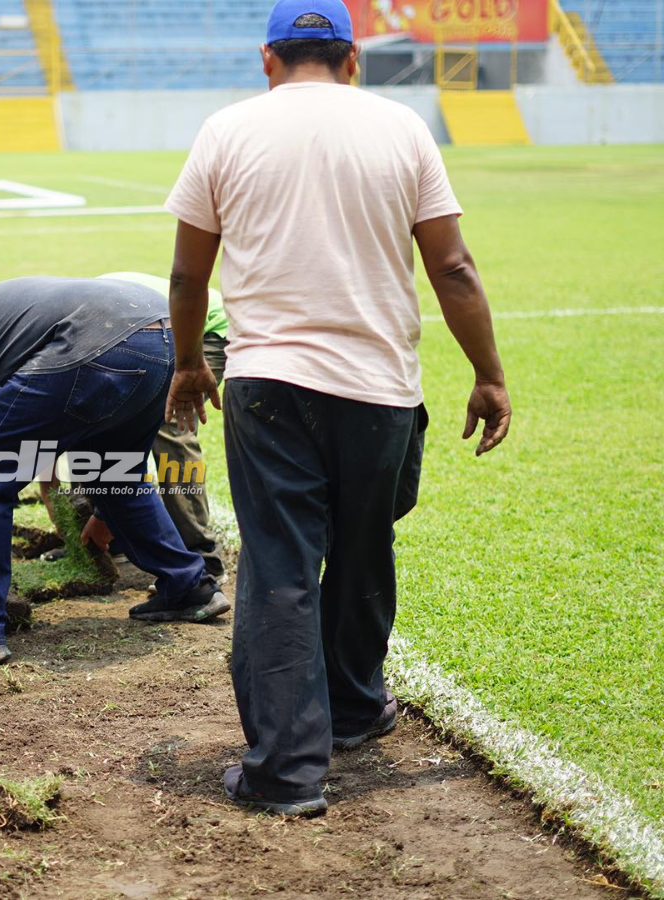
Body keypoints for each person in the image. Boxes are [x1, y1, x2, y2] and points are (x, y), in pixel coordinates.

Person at [164, 0, 512, 816]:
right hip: (379, 388)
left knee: (282, 567)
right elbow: (453, 268)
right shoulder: (403, 129)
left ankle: (286, 773)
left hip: (270, 383)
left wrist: (187, 363)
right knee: (363, 546)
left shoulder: (226, 131)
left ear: (268, 58)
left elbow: (186, 277)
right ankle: (355, 711)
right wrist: (488, 374)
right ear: (354, 59)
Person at [0, 277, 230, 667]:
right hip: (165, 333)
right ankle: (190, 587)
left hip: (101, 341)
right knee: (115, 473)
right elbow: (35, 439)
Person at [98, 272, 229, 585]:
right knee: (101, 422)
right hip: (156, 330)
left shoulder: (84, 327)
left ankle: (201, 557)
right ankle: (116, 531)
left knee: (170, 425)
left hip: (203, 328)